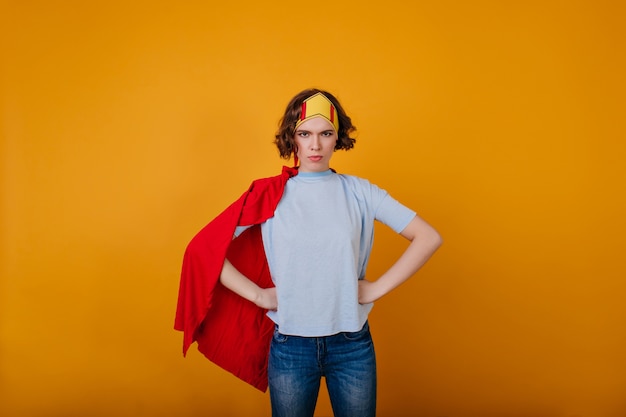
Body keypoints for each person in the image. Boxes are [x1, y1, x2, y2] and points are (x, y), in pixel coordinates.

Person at [175, 88, 442, 417]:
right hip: (291, 347)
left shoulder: (361, 192)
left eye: (325, 134)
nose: (315, 145)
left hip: (352, 345)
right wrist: (259, 296)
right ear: (292, 138)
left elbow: (427, 237)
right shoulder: (270, 195)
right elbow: (203, 249)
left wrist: (376, 288)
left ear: (337, 138)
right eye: (305, 134)